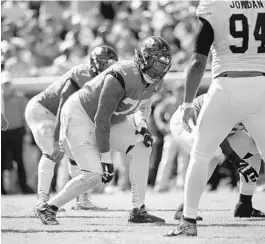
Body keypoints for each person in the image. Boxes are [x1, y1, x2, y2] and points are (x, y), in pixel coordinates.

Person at [34, 36, 172, 225]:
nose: (159, 71)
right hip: (80, 115)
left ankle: (138, 209)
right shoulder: (122, 74)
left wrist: (142, 125)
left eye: (163, 66)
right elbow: (102, 118)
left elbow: (142, 104)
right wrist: (106, 159)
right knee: (94, 174)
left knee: (142, 147)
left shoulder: (155, 82)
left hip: (109, 119)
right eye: (156, 65)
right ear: (143, 59)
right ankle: (48, 206)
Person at [165, 0, 265, 237]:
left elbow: (198, 61)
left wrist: (188, 102)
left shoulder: (214, 5)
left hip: (227, 86)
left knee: (201, 155)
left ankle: (188, 220)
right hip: (261, 84)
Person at [25, 46, 118, 209]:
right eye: (104, 63)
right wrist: (56, 140)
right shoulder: (82, 74)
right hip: (44, 110)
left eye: (111, 64)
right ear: (94, 63)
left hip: (64, 116)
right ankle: (42, 199)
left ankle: (82, 199)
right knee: (52, 152)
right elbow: (63, 105)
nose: (107, 68)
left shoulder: (108, 81)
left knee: (77, 155)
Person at [169, 93, 264, 222]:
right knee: (212, 152)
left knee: (254, 151)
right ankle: (184, 209)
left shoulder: (256, 100)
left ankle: (244, 206)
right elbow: (214, 135)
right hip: (186, 122)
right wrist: (238, 162)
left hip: (228, 131)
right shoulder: (223, 99)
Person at [1, 72, 34, 194]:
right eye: (4, 84)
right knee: (1, 160)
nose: (6, 87)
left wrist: (27, 133)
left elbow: (25, 117)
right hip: (2, 133)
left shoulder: (19, 98)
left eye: (8, 84)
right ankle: (2, 189)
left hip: (17, 132)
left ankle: (23, 186)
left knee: (19, 160)